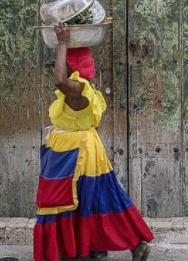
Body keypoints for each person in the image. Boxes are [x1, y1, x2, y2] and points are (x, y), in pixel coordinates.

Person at [34, 23, 153, 261]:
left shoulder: (78, 89)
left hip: (76, 156)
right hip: (76, 152)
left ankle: (124, 245)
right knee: (94, 199)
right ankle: (90, 247)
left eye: (66, 60)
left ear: (74, 65)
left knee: (79, 199)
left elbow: (59, 80)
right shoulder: (81, 89)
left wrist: (63, 43)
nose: (60, 64)